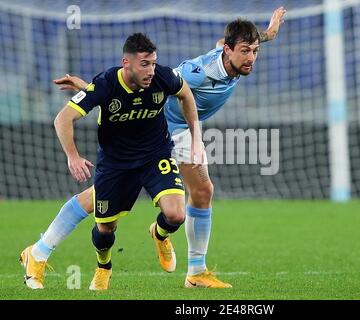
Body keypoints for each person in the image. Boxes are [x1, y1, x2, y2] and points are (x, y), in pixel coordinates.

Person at [21, 7, 286, 289]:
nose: (251, 57)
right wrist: (92, 89)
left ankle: (193, 268)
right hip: (157, 130)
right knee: (96, 199)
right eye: (245, 51)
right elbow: (149, 83)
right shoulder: (196, 73)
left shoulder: (230, 53)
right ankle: (39, 250)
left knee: (202, 191)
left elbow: (238, 42)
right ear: (230, 51)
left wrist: (269, 33)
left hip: (176, 131)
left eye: (254, 51)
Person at [19, 32, 203, 290]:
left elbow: (186, 95)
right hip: (116, 164)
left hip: (155, 155)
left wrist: (197, 141)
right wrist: (73, 156)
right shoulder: (105, 83)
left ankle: (159, 234)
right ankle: (103, 267)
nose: (151, 70)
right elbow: (63, 118)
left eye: (153, 63)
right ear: (126, 63)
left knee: (175, 214)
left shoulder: (162, 76)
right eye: (144, 64)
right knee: (105, 229)